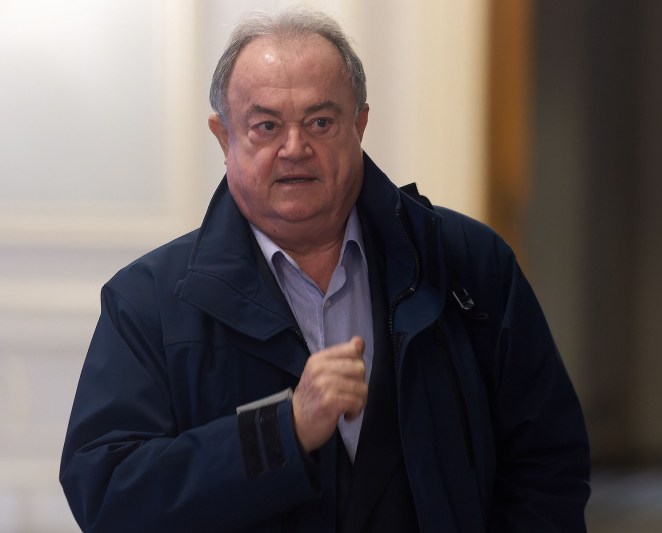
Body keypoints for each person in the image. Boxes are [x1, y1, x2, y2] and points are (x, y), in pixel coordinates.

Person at [60, 8, 591, 532]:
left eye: (320, 122)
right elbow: (107, 494)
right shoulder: (149, 301)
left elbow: (547, 463)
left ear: (359, 124)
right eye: (266, 126)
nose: (295, 148)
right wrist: (283, 430)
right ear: (224, 138)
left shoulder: (468, 262)